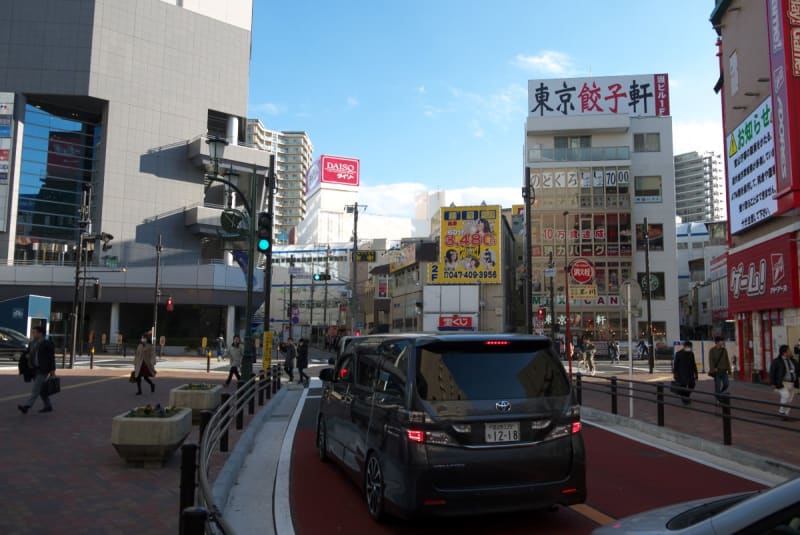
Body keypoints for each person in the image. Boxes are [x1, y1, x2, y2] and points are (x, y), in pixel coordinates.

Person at [17, 325, 56, 414]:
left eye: (34, 332)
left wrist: (52, 370)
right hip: (33, 368)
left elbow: (51, 357)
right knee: (41, 388)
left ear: (40, 333)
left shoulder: (47, 343)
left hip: (43, 369)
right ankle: (48, 405)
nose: (33, 334)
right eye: (33, 332)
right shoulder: (32, 343)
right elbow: (28, 353)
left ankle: (27, 406)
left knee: (36, 388)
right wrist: (26, 357)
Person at [769, 344, 798, 420]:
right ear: (784, 353)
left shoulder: (793, 361)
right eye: (789, 351)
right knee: (786, 395)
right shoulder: (777, 361)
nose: (791, 352)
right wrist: (772, 383)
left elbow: (798, 371)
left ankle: (786, 414)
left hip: (792, 383)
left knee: (790, 399)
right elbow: (772, 372)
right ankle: (781, 412)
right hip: (782, 383)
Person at [672, 341, 698, 405]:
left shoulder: (691, 354)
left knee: (692, 385)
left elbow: (694, 364)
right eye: (688, 346)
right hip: (681, 373)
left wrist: (696, 373)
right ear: (684, 346)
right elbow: (675, 364)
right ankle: (685, 399)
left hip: (690, 373)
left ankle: (686, 396)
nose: (689, 348)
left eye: (690, 347)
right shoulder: (678, 353)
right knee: (683, 386)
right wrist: (675, 373)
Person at [708, 336, 731, 401]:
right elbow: (711, 361)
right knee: (717, 385)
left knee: (726, 384)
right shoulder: (712, 350)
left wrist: (729, 370)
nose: (722, 342)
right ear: (717, 342)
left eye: (722, 341)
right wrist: (712, 370)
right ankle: (718, 398)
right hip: (717, 371)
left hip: (724, 370)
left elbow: (727, 360)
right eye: (721, 341)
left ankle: (719, 393)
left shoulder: (724, 350)